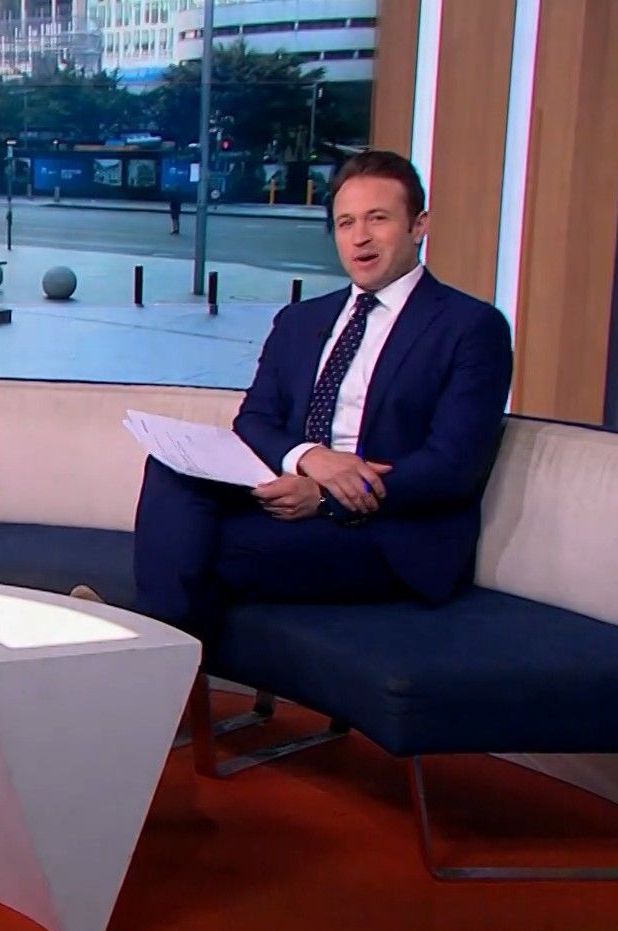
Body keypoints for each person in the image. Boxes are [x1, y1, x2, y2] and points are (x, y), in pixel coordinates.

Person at [109, 150, 514, 639]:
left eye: (378, 219)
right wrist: (308, 458)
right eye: (346, 223)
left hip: (390, 532)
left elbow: (451, 467)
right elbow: (254, 420)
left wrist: (324, 497)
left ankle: (140, 648)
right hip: (291, 495)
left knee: (197, 548)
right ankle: (154, 658)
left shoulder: (471, 327)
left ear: (418, 226)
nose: (360, 237)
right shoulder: (301, 321)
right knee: (171, 472)